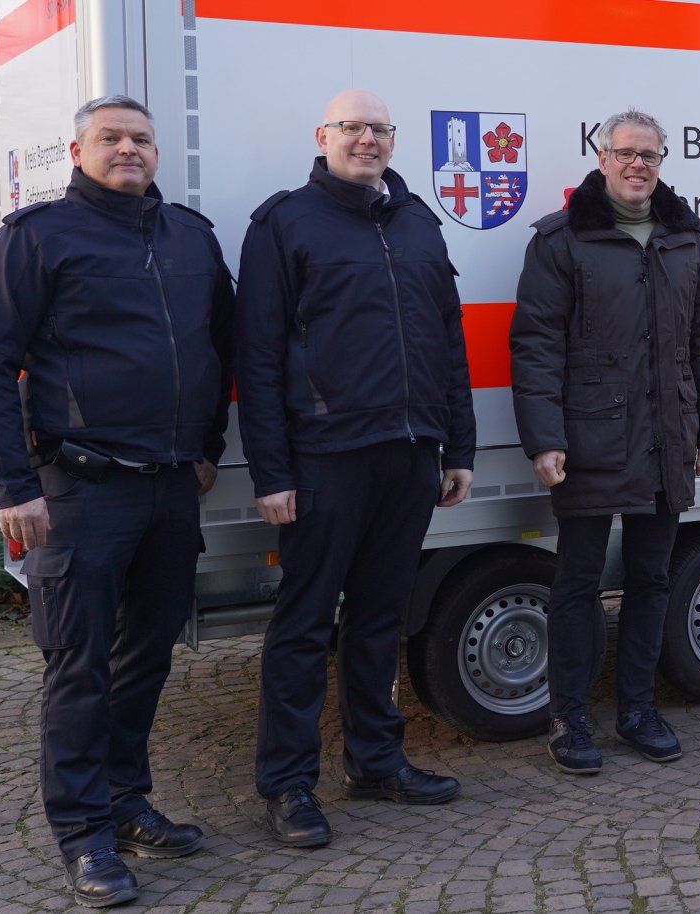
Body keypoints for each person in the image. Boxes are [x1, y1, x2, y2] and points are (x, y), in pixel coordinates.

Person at [0, 94, 233, 907]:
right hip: (80, 490)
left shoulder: (191, 237)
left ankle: (125, 800)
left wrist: (208, 451)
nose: (129, 150)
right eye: (110, 139)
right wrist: (14, 485)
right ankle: (84, 837)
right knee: (79, 670)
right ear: (78, 152)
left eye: (141, 139)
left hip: (171, 489)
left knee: (143, 660)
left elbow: (226, 346)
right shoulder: (37, 239)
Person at [237, 89, 472, 846]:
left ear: (393, 141)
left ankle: (376, 761)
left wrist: (457, 445)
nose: (365, 140)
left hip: (410, 455)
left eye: (377, 130)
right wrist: (270, 471)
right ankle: (287, 786)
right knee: (304, 626)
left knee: (378, 619)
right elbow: (260, 354)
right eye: (352, 128)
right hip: (325, 457)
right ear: (323, 136)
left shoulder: (417, 224)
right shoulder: (285, 223)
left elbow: (448, 339)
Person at [510, 108, 700, 775]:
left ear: (663, 163)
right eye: (626, 153)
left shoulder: (687, 238)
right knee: (577, 582)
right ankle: (569, 717)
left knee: (651, 577)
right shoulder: (561, 240)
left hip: (668, 437)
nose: (639, 165)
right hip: (588, 439)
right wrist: (543, 438)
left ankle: (637, 708)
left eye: (651, 156)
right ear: (601, 157)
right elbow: (535, 344)